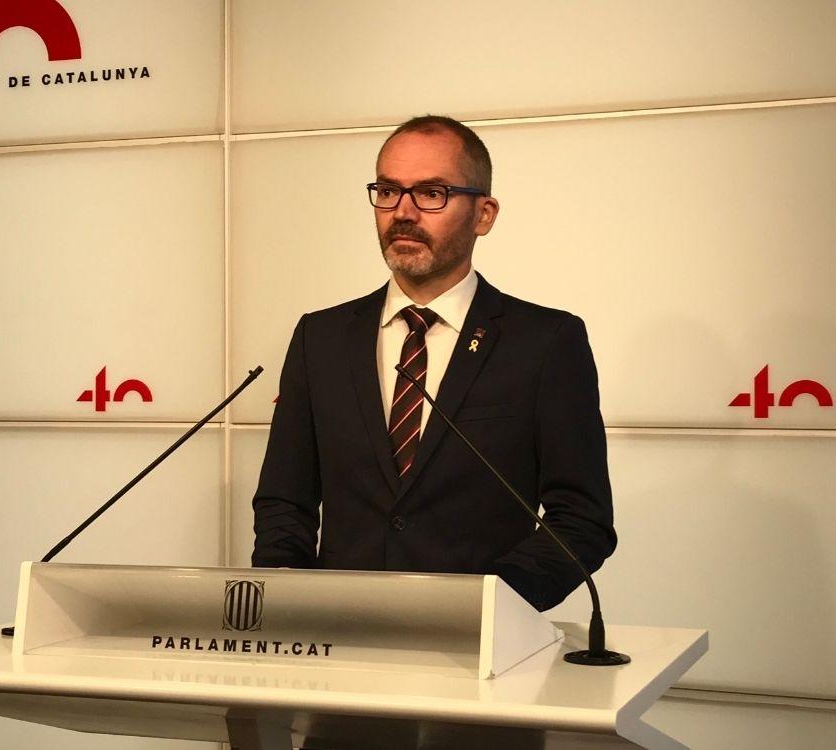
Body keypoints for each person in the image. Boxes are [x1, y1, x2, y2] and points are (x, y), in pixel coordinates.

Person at [251, 115, 615, 611]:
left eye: (431, 193)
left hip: (478, 652)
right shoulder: (321, 337)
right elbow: (284, 504)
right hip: (336, 640)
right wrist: (287, 608)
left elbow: (582, 520)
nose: (403, 212)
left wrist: (489, 607)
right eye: (388, 191)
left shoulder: (546, 342)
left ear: (483, 214)